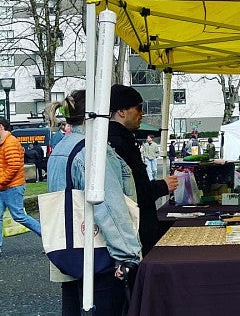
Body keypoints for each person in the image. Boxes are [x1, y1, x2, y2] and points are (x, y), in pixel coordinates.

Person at [44, 90, 141, 315]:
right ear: (99, 115)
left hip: (68, 251)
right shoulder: (93, 152)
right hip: (99, 255)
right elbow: (109, 206)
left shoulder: (62, 148)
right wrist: (128, 256)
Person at [107, 84, 178, 255]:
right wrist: (162, 186)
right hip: (134, 228)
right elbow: (133, 191)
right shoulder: (118, 143)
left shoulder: (120, 139)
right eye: (138, 108)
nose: (142, 113)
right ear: (122, 111)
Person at [0, 117, 42, 256]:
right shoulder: (4, 142)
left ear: (1, 127)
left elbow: (13, 167)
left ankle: (47, 237)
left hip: (12, 187)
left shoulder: (10, 143)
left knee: (19, 216)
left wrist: (1, 181)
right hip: (6, 186)